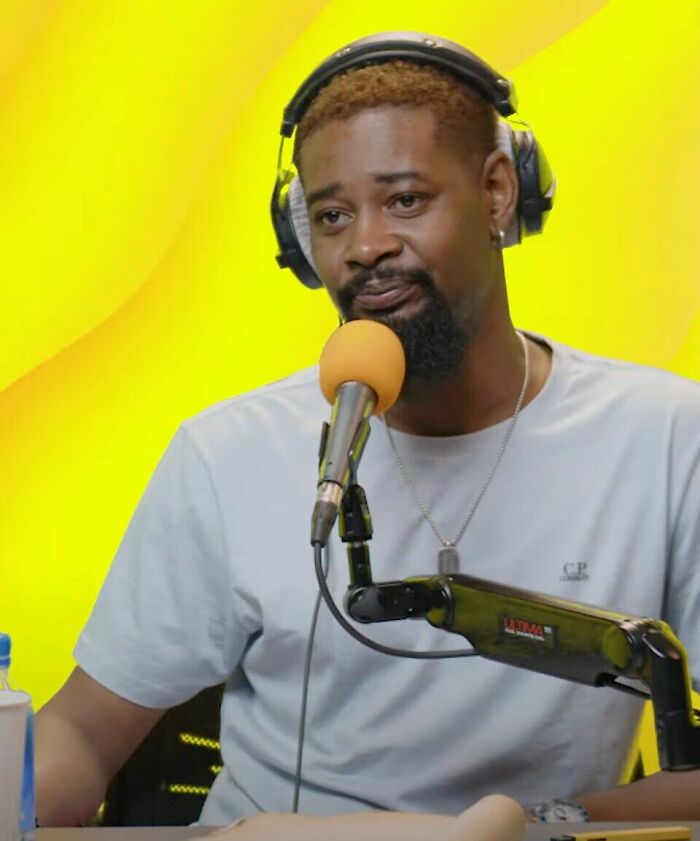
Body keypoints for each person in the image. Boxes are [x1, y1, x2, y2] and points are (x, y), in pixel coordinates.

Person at [35, 32, 700, 829]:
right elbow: (81, 728)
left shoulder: (666, 437)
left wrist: (539, 822)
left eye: (406, 199)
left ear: (497, 195)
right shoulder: (228, 450)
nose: (366, 246)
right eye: (333, 214)